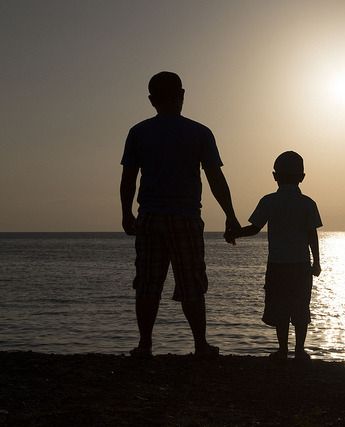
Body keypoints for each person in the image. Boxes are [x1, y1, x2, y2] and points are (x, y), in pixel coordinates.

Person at [119, 71, 240, 358]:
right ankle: (200, 344)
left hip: (150, 216)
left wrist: (126, 213)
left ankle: (145, 345)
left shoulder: (139, 132)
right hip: (185, 217)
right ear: (182, 94)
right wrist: (230, 215)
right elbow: (215, 178)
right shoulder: (199, 132)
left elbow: (128, 179)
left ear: (151, 100)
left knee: (148, 283)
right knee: (192, 283)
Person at [229, 151, 322, 361]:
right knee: (300, 306)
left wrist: (235, 232)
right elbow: (312, 235)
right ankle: (299, 350)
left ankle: (282, 350)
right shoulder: (308, 203)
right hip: (300, 265)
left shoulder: (269, 201)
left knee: (280, 306)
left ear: (275, 176)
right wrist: (317, 261)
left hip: (277, 265)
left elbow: (254, 228)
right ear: (302, 176)